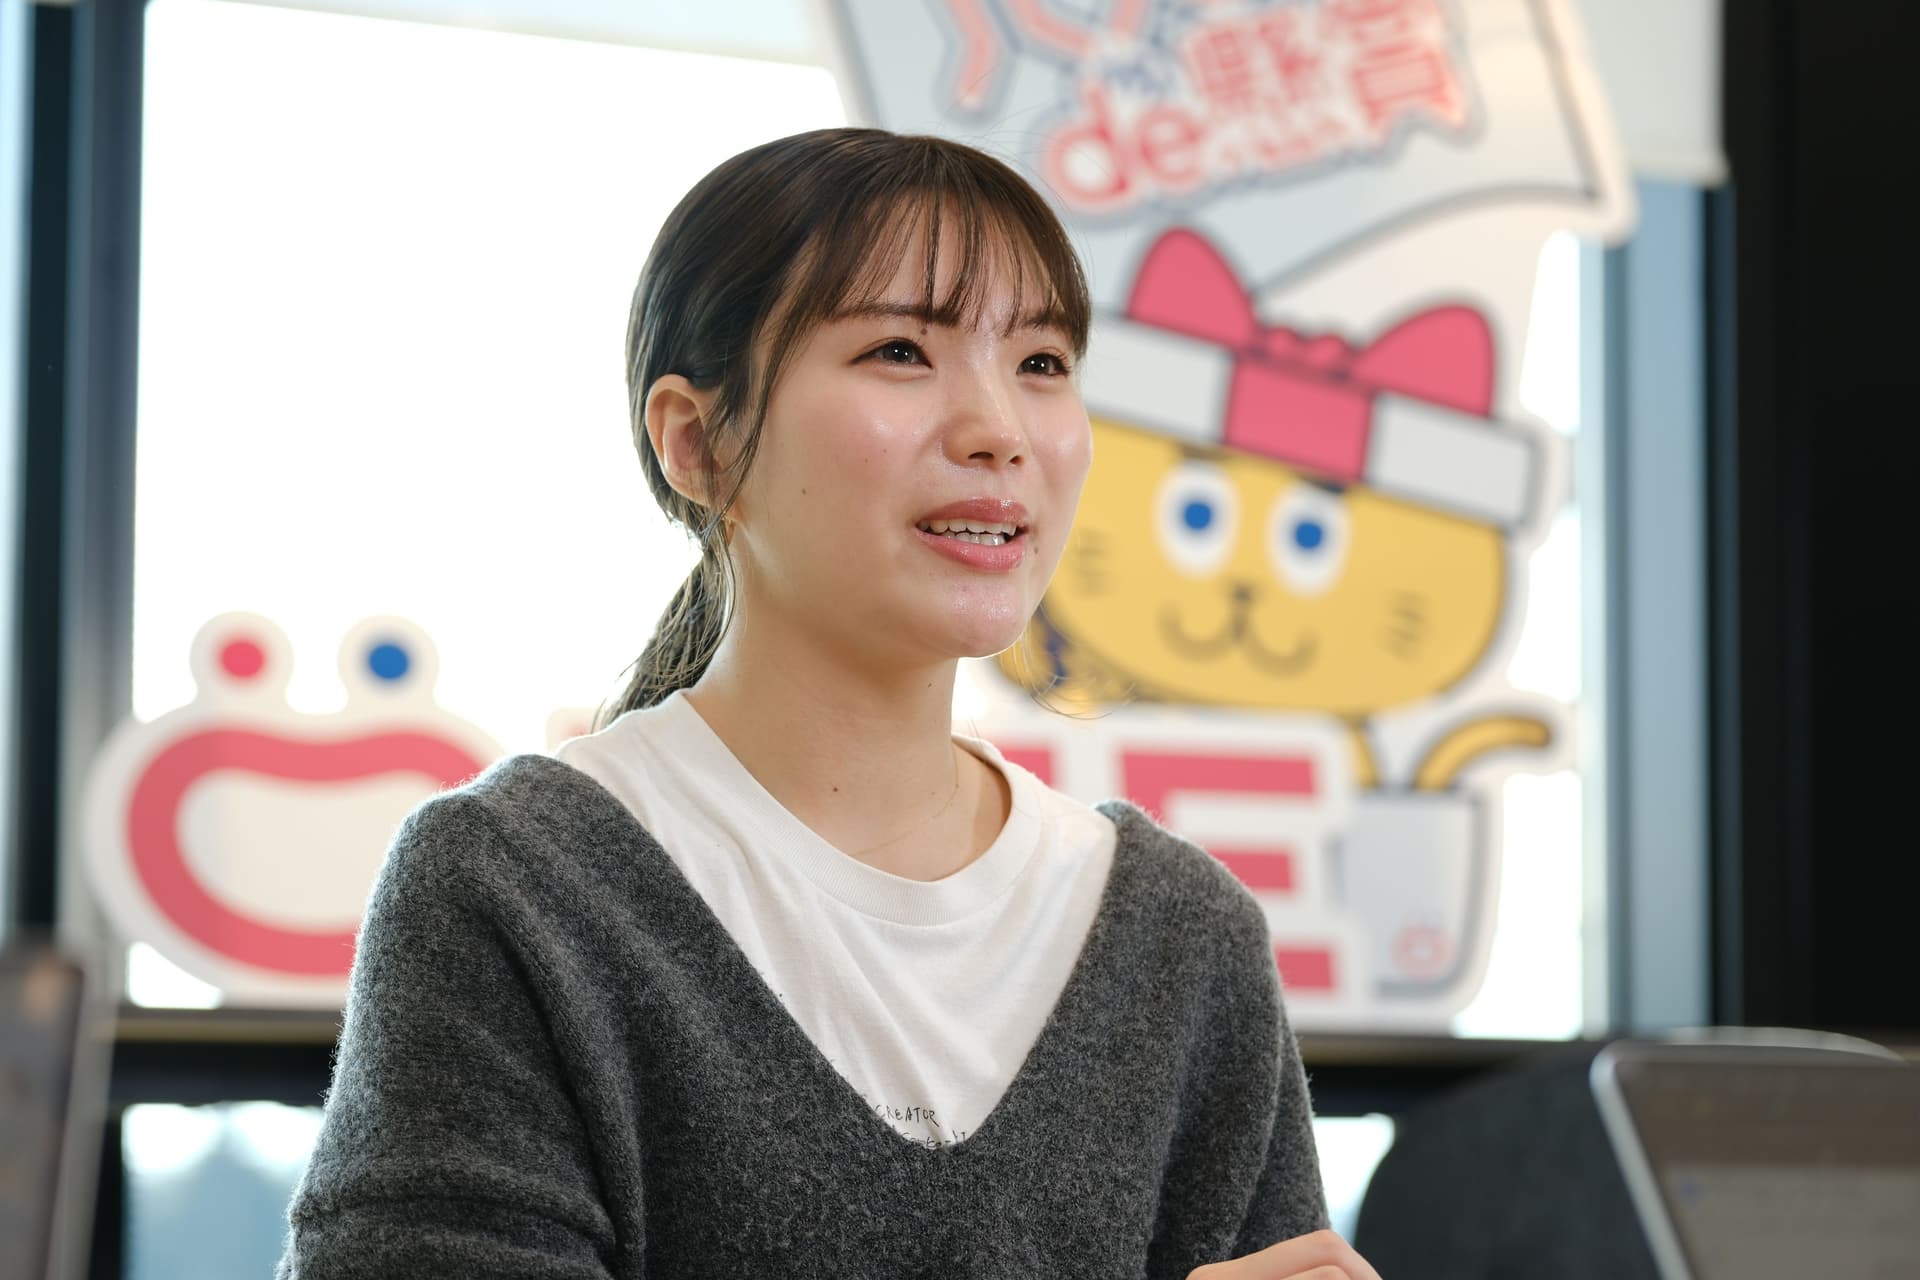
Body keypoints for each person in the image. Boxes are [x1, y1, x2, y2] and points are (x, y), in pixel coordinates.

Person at [276, 127, 1382, 1280]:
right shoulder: (518, 885)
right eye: (902, 349)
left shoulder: (1180, 936)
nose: (1000, 429)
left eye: (1043, 363)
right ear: (697, 443)